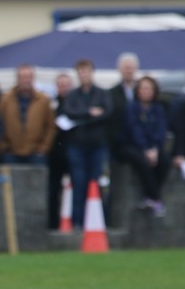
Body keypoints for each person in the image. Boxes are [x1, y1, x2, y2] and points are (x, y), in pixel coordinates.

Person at [62, 59, 113, 229]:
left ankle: (97, 222)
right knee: (79, 182)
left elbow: (107, 113)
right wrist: (90, 113)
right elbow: (69, 112)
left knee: (95, 183)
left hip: (97, 145)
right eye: (81, 72)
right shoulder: (72, 95)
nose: (84, 75)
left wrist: (83, 118)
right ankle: (77, 222)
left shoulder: (102, 93)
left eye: (87, 71)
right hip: (77, 145)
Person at [121, 75, 172, 218]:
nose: (146, 91)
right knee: (141, 161)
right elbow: (134, 130)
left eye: (149, 88)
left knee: (165, 161)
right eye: (143, 88)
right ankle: (156, 198)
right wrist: (145, 149)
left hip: (152, 147)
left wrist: (155, 148)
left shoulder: (158, 109)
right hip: (134, 146)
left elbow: (161, 130)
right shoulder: (132, 108)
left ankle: (148, 197)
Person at [0, 64, 55, 165]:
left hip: (36, 154)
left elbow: (50, 126)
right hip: (11, 153)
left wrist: (43, 148)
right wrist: (3, 146)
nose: (26, 80)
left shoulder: (43, 100)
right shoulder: (5, 99)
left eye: (28, 77)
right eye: (23, 77)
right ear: (17, 79)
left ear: (33, 78)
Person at [48, 72, 75, 229]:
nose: (63, 88)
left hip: (73, 150)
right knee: (53, 191)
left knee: (77, 188)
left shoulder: (76, 102)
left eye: (66, 85)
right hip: (55, 152)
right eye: (60, 85)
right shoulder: (51, 104)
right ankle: (53, 224)